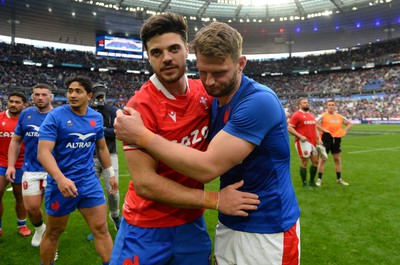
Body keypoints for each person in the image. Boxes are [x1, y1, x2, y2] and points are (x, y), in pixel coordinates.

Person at [114, 21, 301, 265]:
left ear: (186, 50)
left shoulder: (212, 96)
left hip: (253, 223)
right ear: (148, 57)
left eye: (173, 49)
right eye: (156, 52)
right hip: (149, 224)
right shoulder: (140, 107)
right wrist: (216, 200)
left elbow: (208, 166)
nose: (210, 81)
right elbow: (145, 183)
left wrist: (143, 137)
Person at [37, 75, 118, 265]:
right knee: (54, 232)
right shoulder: (55, 116)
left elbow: (102, 147)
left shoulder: (96, 118)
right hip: (60, 185)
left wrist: (110, 174)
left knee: (101, 229)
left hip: (89, 182)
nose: (72, 95)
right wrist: (60, 178)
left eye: (78, 91)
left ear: (89, 95)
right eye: (70, 91)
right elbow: (43, 153)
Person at [6, 84, 53, 247]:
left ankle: (51, 241)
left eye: (44, 95)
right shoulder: (26, 114)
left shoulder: (58, 115)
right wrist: (11, 165)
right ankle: (40, 229)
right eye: (37, 94)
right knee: (32, 208)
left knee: (53, 209)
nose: (40, 97)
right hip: (31, 169)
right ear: (32, 96)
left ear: (51, 97)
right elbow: (16, 140)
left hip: (52, 171)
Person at [86, 83, 121, 242]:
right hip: (90, 157)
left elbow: (117, 132)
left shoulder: (112, 111)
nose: (99, 99)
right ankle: (97, 225)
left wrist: (98, 130)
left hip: (110, 154)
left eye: (101, 95)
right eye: (96, 96)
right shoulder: (86, 111)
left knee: (113, 192)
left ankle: (115, 216)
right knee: (91, 193)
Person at [0, 91, 29, 237]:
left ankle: (22, 225)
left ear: (24, 105)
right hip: (1, 162)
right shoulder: (0, 118)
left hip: (21, 164)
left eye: (17, 102)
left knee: (20, 196)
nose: (13, 104)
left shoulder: (27, 121)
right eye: (11, 101)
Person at [316, 98, 353, 186]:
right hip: (326, 138)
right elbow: (315, 123)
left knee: (337, 159)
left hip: (337, 139)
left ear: (335, 106)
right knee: (323, 159)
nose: (331, 106)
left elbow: (350, 124)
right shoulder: (323, 115)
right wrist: (323, 130)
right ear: (327, 106)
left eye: (332, 105)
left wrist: (344, 131)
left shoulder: (339, 116)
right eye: (329, 105)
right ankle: (319, 179)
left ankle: (339, 179)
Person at [288, 97, 321, 188]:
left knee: (315, 162)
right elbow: (290, 127)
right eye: (304, 103)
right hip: (303, 142)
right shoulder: (296, 115)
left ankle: (312, 181)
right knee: (304, 162)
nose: (306, 104)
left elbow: (315, 128)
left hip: (313, 142)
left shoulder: (311, 115)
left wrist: (319, 139)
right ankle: (304, 183)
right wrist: (300, 136)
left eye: (307, 102)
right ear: (299, 105)